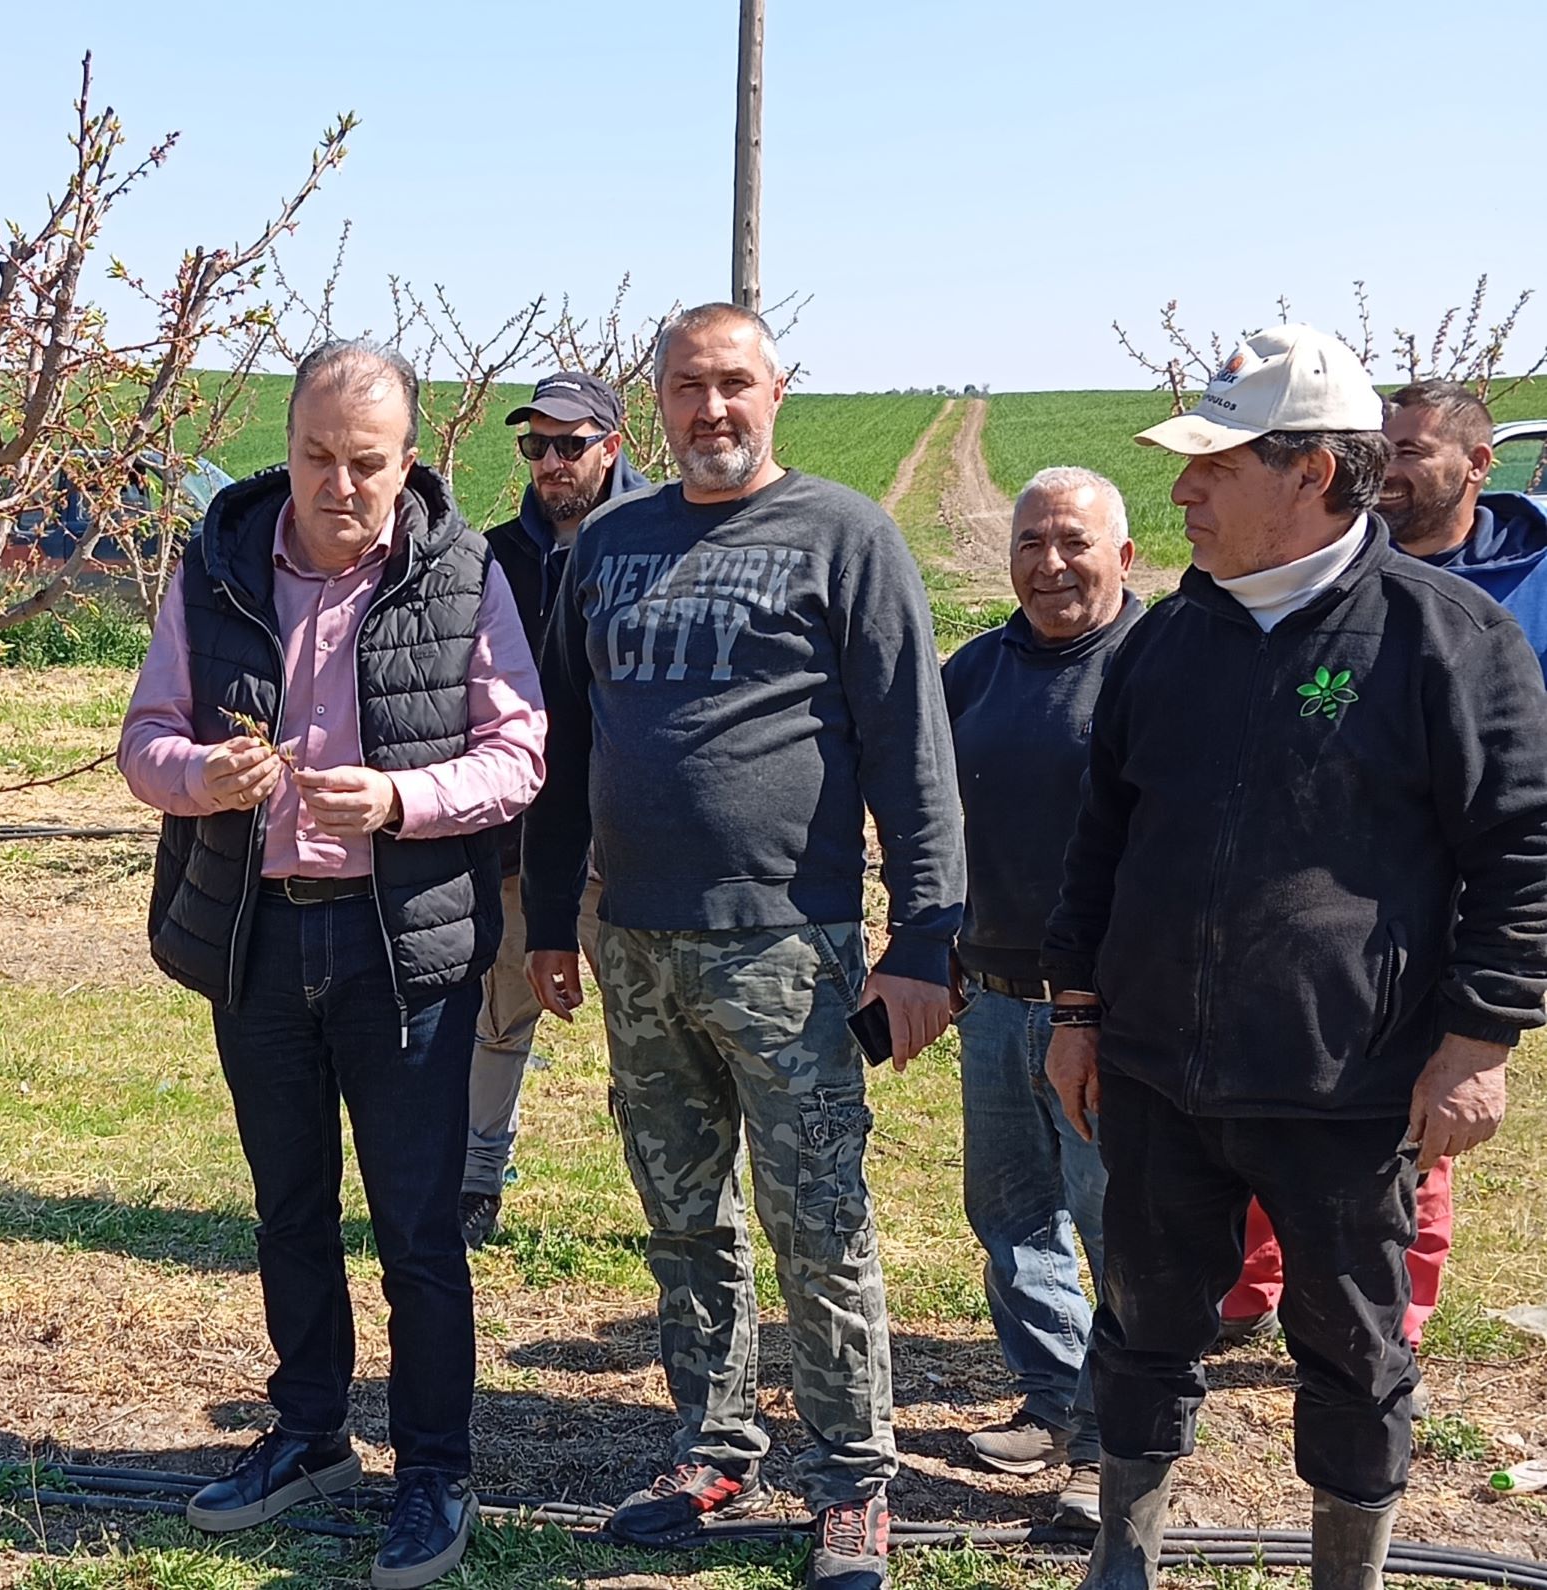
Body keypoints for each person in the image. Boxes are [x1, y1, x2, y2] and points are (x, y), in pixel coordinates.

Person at [1041, 326, 1547, 1590]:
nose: (1180, 493)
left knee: (1349, 1347)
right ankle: (1125, 1555)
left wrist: (1479, 1038)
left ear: (1313, 469)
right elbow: (1101, 835)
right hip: (1156, 1069)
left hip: (1346, 1081)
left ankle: (1347, 1571)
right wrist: (1079, 1005)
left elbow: (1520, 848)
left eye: (1212, 465)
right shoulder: (1167, 640)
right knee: (1143, 1329)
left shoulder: (1444, 639)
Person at [522, 301, 964, 1590]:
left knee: (817, 1222)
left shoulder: (843, 534)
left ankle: (850, 1483)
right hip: (637, 947)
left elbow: (910, 748)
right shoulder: (607, 543)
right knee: (681, 1219)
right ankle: (712, 1445)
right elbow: (565, 751)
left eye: (732, 385)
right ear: (650, 404)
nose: (707, 410)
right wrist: (553, 921)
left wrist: (924, 938)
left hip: (792, 949)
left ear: (776, 392)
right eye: (683, 388)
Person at [118, 339, 545, 1590]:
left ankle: (432, 1468)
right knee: (287, 1207)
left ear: (408, 460)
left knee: (417, 1224)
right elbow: (144, 737)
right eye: (317, 458)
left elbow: (518, 753)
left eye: (366, 463)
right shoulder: (215, 571)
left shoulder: (462, 573)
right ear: (287, 445)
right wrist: (200, 776)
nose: (340, 485)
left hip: (397, 947)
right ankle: (309, 1435)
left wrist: (405, 798)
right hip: (257, 938)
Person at [1221, 379, 1547, 1358]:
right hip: (1308, 887)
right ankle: (1249, 1283)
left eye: (1411, 451)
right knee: (1261, 1075)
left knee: (1409, 1106)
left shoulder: (1526, 584)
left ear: (1476, 466)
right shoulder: (1332, 568)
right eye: (1381, 450)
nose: (1390, 471)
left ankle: (1389, 1312)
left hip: (1444, 899)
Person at [942, 467, 1140, 1527]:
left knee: (1115, 1216)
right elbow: (925, 813)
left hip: (1109, 1008)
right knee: (1009, 1211)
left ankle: (1120, 1437)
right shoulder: (974, 671)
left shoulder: (1154, 668)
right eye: (1029, 542)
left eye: (1071, 541)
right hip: (994, 992)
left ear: (1125, 553)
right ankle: (1051, 1395)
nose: (1049, 563)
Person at [463, 371, 650, 1248]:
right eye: (535, 446)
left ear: (612, 446)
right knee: (497, 1012)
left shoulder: (660, 541)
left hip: (626, 843)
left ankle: (670, 1197)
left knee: (650, 1034)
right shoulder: (490, 555)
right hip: (520, 832)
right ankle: (474, 1183)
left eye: (569, 444)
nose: (550, 462)